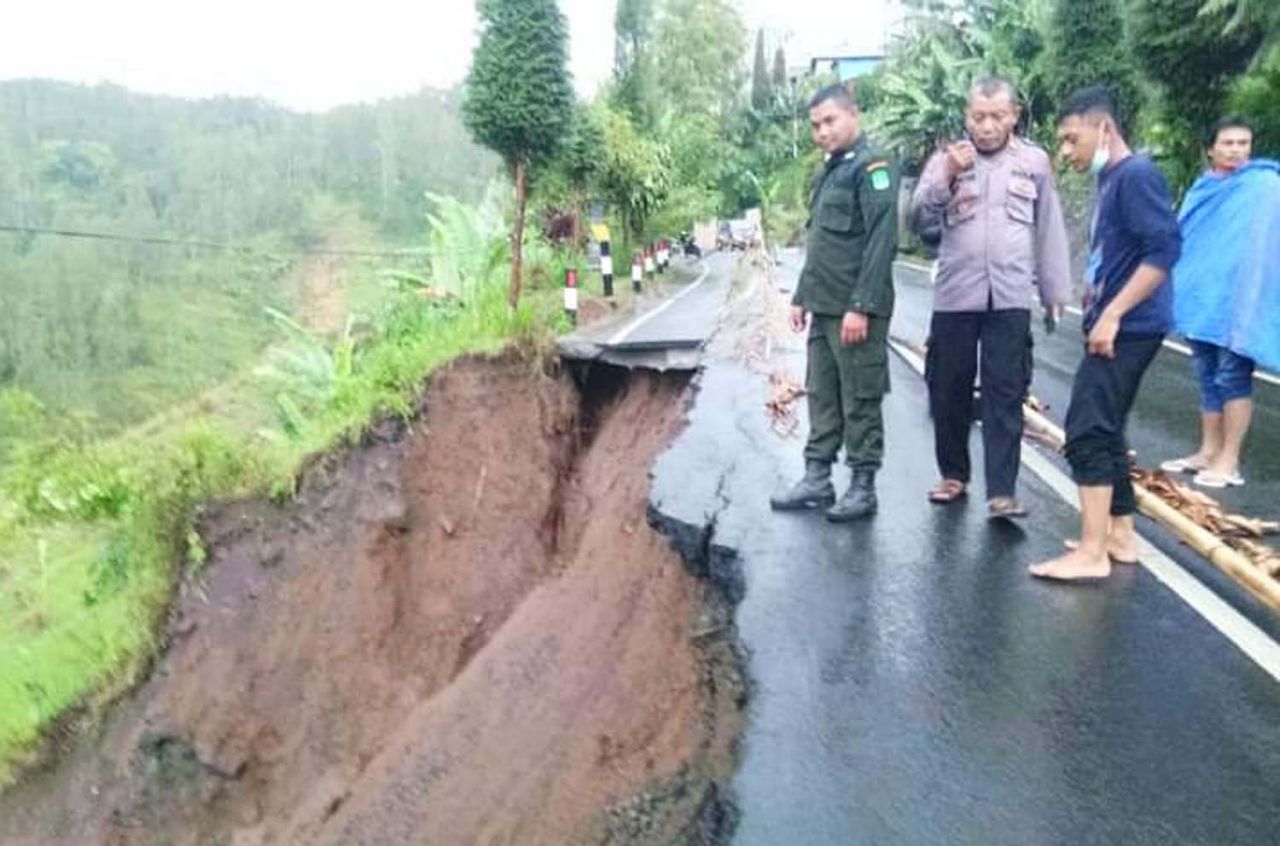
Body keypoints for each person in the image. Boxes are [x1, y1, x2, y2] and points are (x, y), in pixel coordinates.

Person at [1030, 87, 1181, 582]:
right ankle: (1119, 534)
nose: (1066, 151)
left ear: (1105, 129)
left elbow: (1163, 252)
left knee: (1087, 431)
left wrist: (1114, 313)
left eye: (1072, 139)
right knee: (1108, 428)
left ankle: (1092, 553)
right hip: (1121, 322)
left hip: (1131, 326)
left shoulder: (1135, 176)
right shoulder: (1114, 179)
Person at [911, 77, 1071, 519]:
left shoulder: (1034, 162)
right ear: (967, 116)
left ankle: (1002, 491)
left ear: (1014, 115)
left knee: (1005, 392)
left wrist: (1055, 289)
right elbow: (917, 217)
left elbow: (1047, 226)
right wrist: (945, 175)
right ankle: (953, 474)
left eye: (997, 116)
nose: (987, 126)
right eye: (978, 117)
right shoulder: (947, 160)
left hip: (1010, 297)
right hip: (955, 296)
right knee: (948, 389)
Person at [770, 84, 899, 521]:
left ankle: (863, 486)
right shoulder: (830, 171)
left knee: (860, 398)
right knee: (822, 394)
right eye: (815, 125)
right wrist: (801, 297)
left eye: (830, 121)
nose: (822, 131)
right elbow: (820, 241)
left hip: (855, 311)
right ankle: (817, 478)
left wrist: (861, 305)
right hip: (824, 307)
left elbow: (882, 241)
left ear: (853, 116)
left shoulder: (873, 167)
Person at [1160, 117, 1280, 488]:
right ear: (1210, 148)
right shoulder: (1204, 188)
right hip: (1204, 300)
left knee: (1232, 376)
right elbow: (1186, 237)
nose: (1236, 151)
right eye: (1228, 143)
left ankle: (1230, 460)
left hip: (1240, 302)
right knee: (1207, 375)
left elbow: (1266, 244)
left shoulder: (1264, 186)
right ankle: (1208, 451)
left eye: (1243, 143)